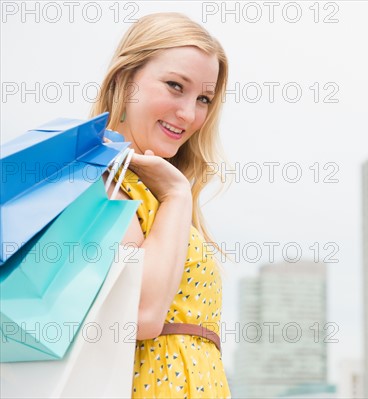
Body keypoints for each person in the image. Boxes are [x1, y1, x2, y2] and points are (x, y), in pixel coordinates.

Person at [94, 12, 231, 398]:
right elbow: (141, 314)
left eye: (203, 99)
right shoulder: (101, 180)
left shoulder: (155, 189)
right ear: (125, 80)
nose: (189, 114)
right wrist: (176, 196)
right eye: (175, 86)